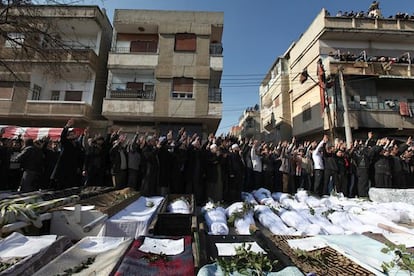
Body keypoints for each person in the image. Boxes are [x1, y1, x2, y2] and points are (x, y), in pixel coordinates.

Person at [51, 119, 83, 189]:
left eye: (73, 134)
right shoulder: (66, 143)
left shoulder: (77, 145)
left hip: (73, 170)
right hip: (63, 170)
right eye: (70, 135)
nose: (72, 136)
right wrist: (67, 126)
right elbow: (63, 137)